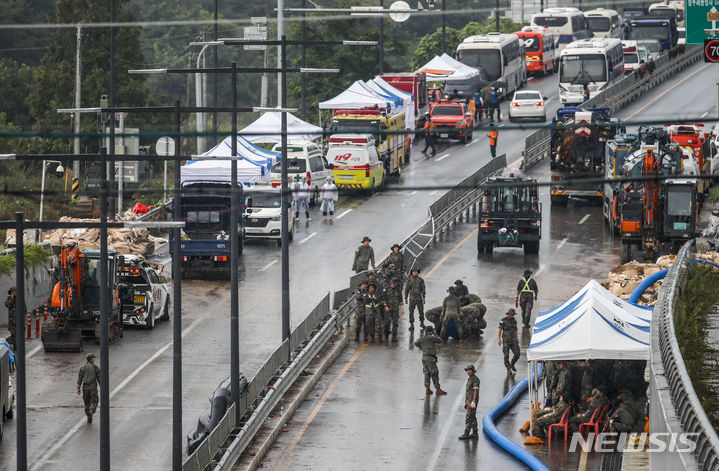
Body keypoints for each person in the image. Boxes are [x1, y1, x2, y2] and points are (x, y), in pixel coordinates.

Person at [414, 325, 447, 395]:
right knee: (434, 373)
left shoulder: (422, 338)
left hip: (424, 358)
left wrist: (422, 348)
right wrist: (435, 334)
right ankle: (438, 389)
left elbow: (416, 343)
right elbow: (440, 340)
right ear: (431, 331)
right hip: (430, 359)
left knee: (427, 373)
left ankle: (427, 388)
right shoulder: (431, 337)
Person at [77, 352, 100, 423]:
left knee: (86, 402)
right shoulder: (96, 368)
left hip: (85, 387)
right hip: (92, 387)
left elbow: (80, 378)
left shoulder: (82, 368)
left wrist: (78, 388)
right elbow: (99, 378)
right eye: (93, 358)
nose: (94, 359)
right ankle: (92, 411)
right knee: (94, 400)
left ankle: (88, 415)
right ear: (91, 359)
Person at [458, 364, 480, 439]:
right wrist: (466, 403)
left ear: (473, 371)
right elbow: (468, 392)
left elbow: (475, 390)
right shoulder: (469, 379)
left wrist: (473, 401)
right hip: (469, 401)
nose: (469, 372)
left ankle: (466, 433)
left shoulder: (475, 379)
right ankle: (475, 432)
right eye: (468, 370)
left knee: (469, 417)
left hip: (472, 401)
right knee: (472, 416)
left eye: (470, 370)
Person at [498, 308, 520, 374]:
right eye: (511, 315)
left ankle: (512, 364)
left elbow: (516, 329)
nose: (512, 316)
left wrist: (517, 338)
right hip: (506, 340)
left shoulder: (514, 321)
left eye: (513, 315)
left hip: (513, 340)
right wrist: (499, 339)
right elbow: (500, 330)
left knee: (517, 353)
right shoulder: (503, 320)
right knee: (506, 355)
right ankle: (508, 368)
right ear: (508, 314)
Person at [383, 278, 403, 343]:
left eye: (394, 284)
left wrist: (402, 309)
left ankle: (394, 337)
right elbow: (384, 299)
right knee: (387, 323)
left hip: (395, 309)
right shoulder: (386, 289)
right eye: (392, 284)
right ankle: (386, 336)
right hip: (388, 309)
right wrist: (385, 306)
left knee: (395, 324)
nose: (393, 285)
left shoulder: (398, 290)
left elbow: (401, 300)